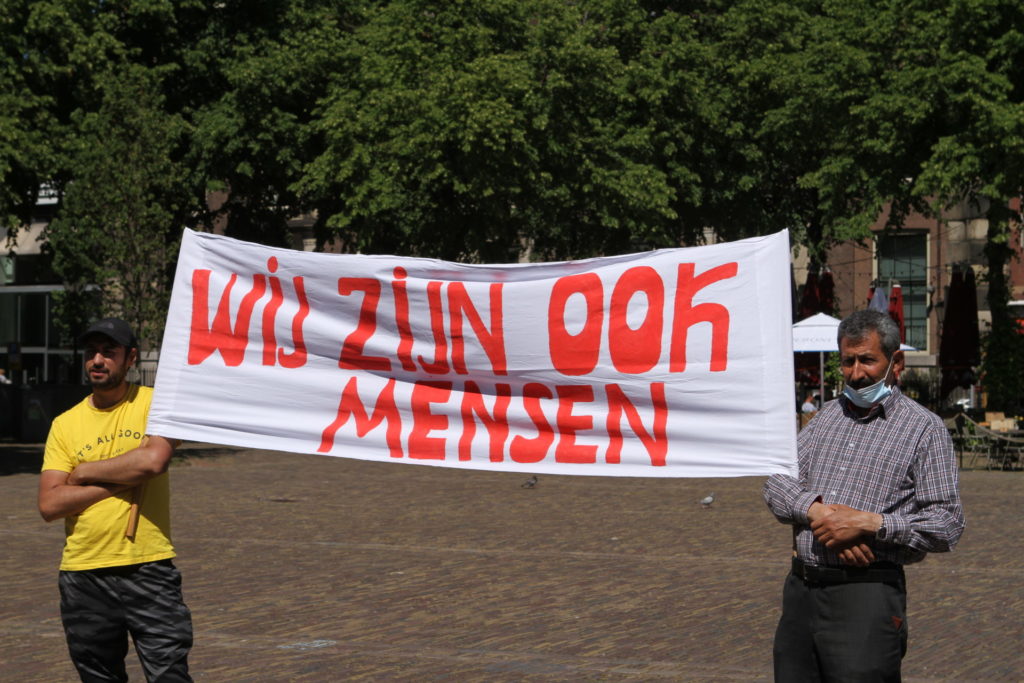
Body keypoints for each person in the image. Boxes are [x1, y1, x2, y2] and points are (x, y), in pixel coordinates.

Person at [763, 309, 964, 681]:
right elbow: (776, 480)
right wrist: (817, 512)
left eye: (868, 360)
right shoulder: (826, 417)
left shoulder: (924, 430)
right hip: (802, 593)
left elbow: (947, 523)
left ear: (896, 362)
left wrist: (869, 524)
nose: (856, 373)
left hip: (866, 594)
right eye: (848, 362)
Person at [38, 318, 192, 682]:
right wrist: (121, 479)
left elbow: (154, 460)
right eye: (91, 352)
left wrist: (87, 471)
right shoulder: (65, 423)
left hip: (148, 566)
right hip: (83, 573)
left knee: (170, 674)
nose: (97, 360)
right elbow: (50, 505)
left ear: (131, 358)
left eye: (109, 353)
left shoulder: (156, 405)